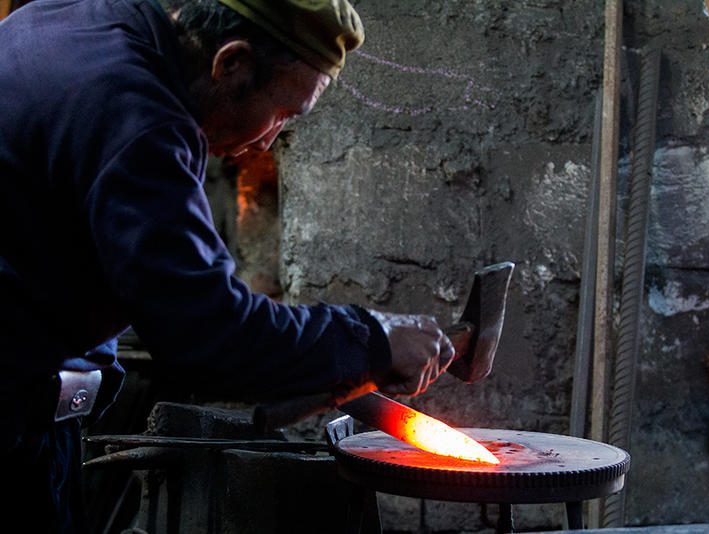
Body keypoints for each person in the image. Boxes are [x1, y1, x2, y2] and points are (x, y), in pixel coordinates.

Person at [0, 0, 455, 530]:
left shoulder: (63, 17)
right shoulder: (140, 120)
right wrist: (372, 339)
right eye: (282, 113)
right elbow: (207, 331)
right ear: (231, 62)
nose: (268, 141)